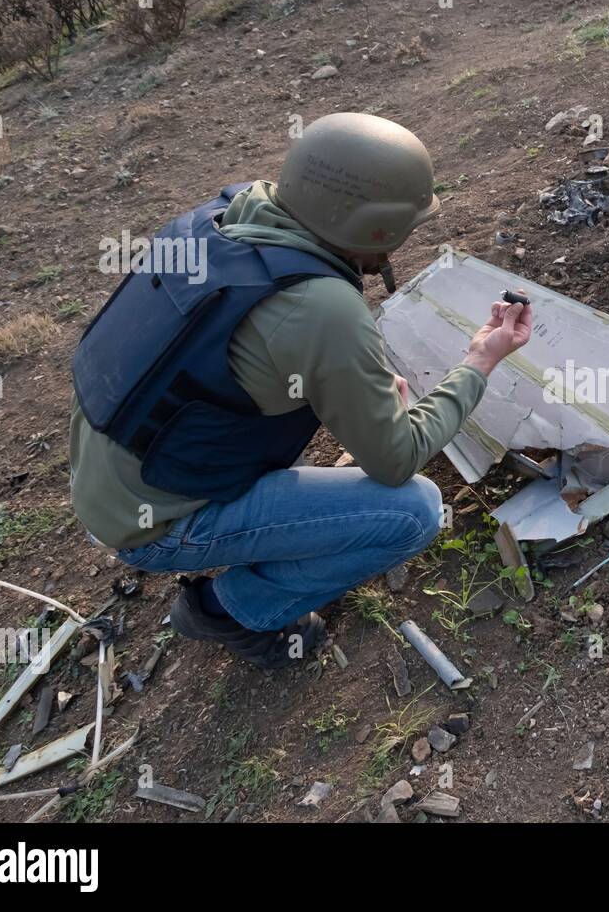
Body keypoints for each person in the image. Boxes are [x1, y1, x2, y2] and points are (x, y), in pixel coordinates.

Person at [68, 113, 531, 668]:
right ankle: (228, 610)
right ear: (378, 227)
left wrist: (344, 377)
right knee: (415, 512)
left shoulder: (225, 219)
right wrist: (480, 360)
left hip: (105, 476)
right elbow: (396, 461)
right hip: (151, 525)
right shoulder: (323, 309)